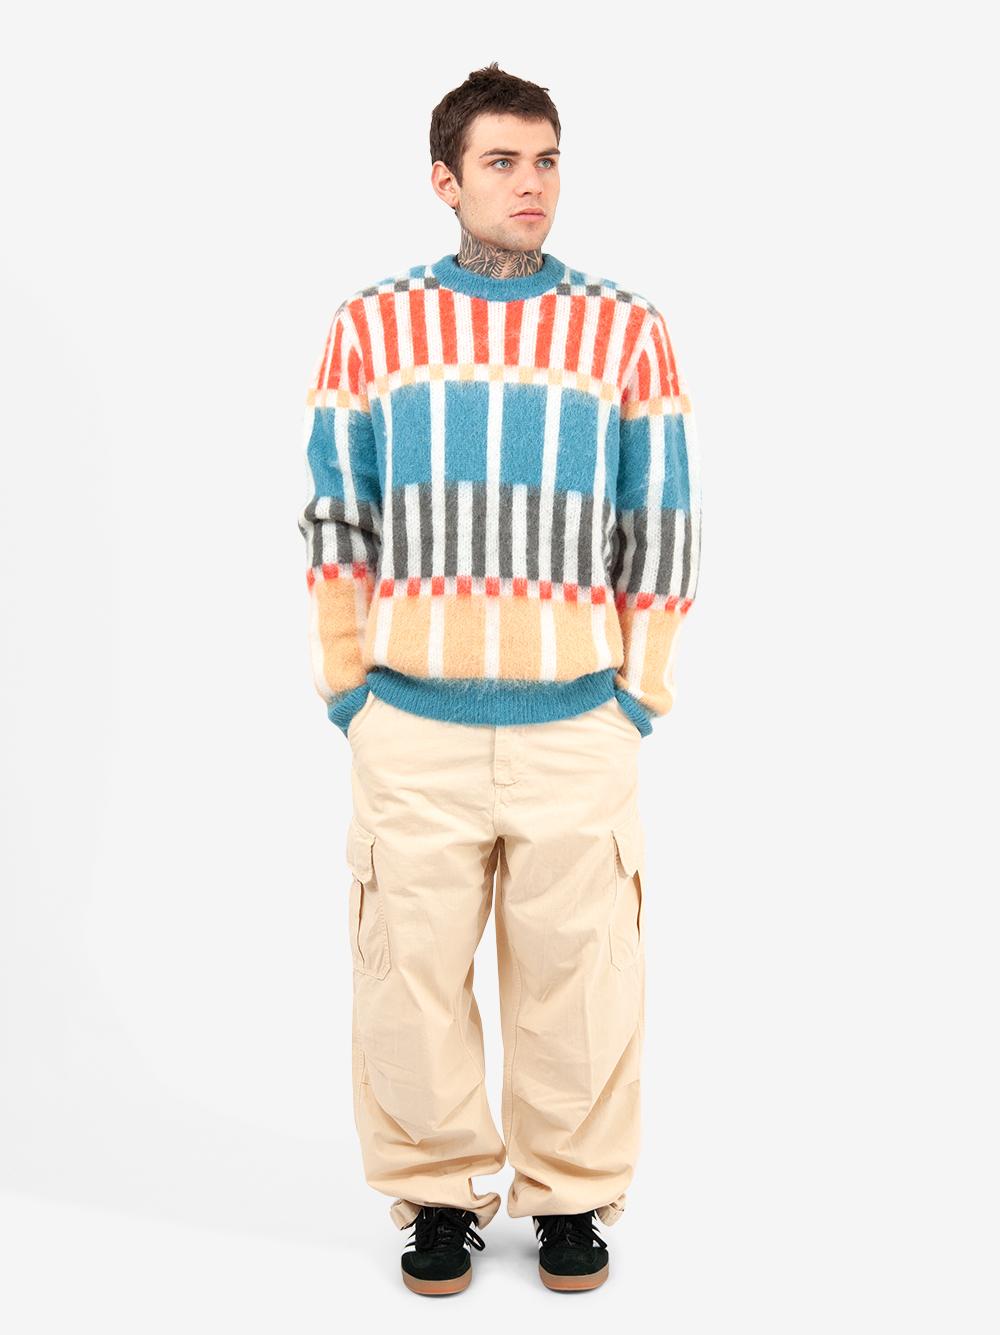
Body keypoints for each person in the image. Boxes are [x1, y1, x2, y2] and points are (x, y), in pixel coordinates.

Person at [297, 62, 702, 1295]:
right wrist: (351, 688)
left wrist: (636, 695)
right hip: (410, 723)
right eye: (502, 162)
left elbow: (660, 520)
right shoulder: (373, 326)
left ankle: (571, 1198)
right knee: (407, 977)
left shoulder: (624, 329)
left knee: (583, 980)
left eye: (547, 159)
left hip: (576, 722)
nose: (532, 184)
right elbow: (337, 516)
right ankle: (436, 1195)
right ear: (445, 179)